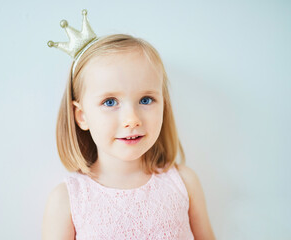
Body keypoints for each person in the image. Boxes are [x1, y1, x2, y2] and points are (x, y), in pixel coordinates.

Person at [43, 10, 215, 240]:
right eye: (110, 102)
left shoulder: (184, 183)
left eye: (146, 100)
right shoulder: (68, 200)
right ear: (82, 116)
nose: (131, 119)